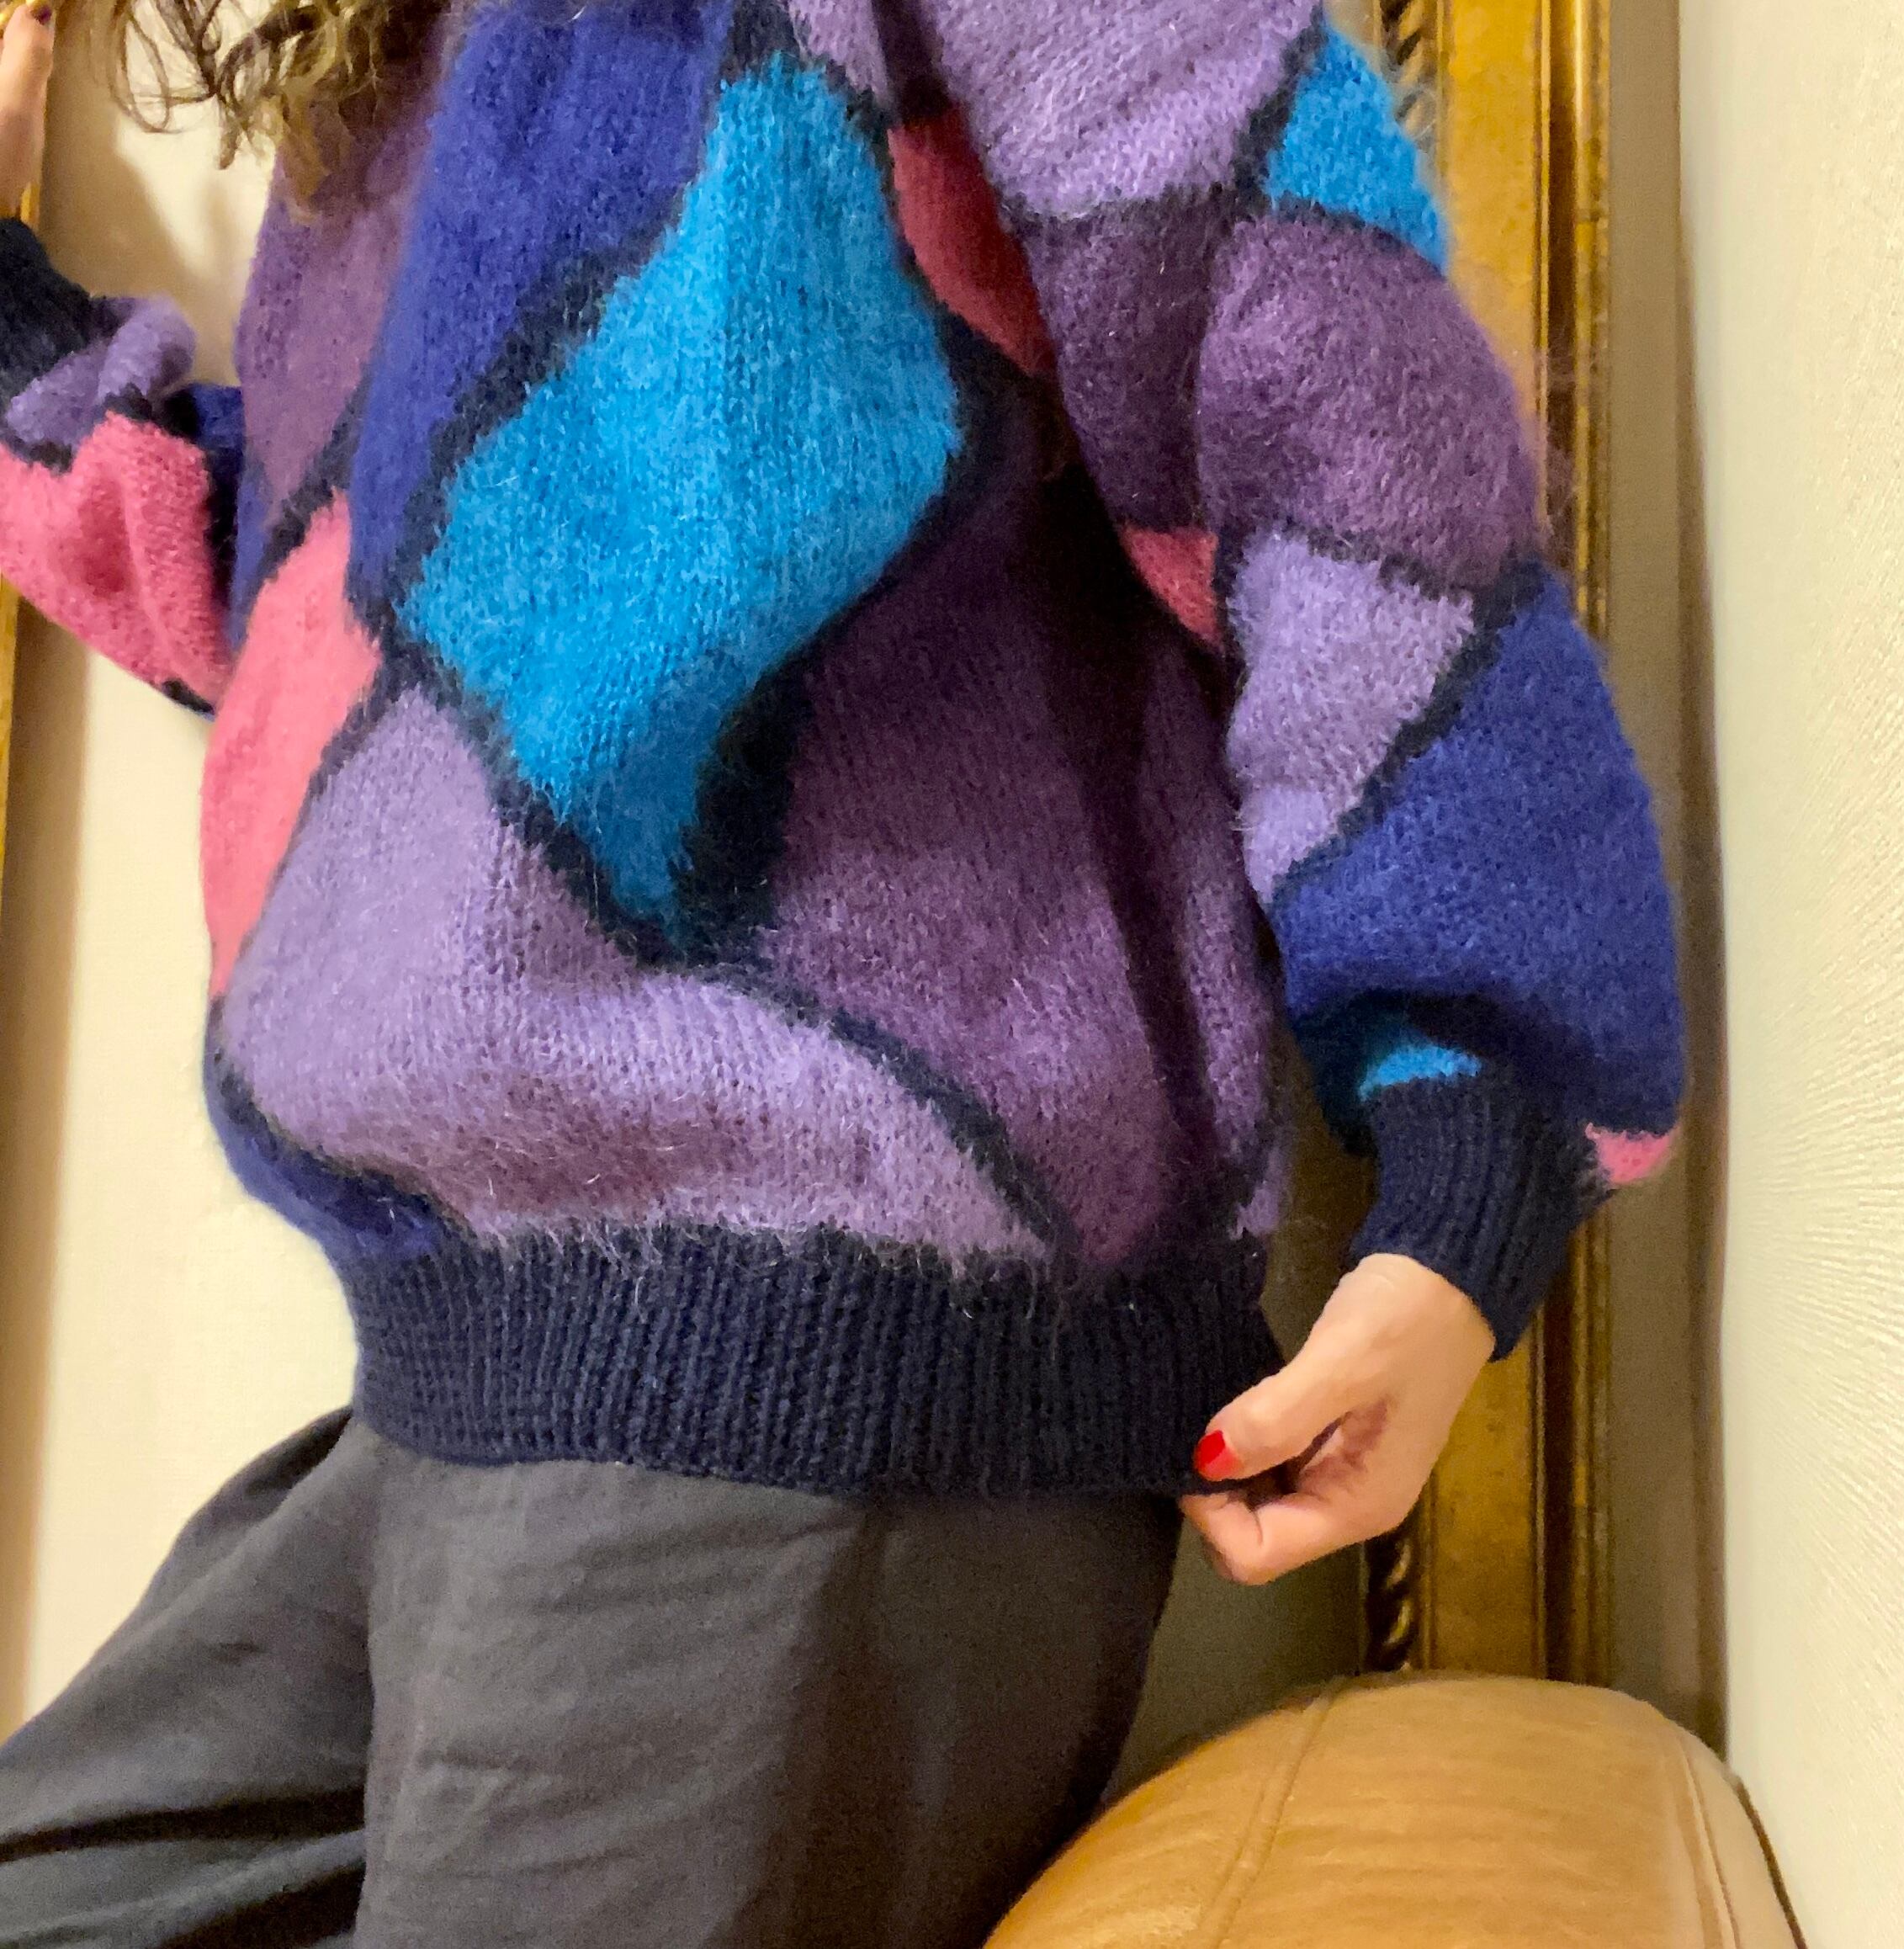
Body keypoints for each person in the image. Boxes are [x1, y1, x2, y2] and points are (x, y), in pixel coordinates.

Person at [0, 0, 1684, 1941]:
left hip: (822, 1362)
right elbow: (342, 617)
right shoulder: (411, 70)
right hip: (462, 1374)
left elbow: (1342, 424)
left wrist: (1481, 1124)